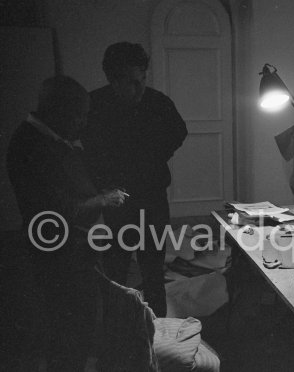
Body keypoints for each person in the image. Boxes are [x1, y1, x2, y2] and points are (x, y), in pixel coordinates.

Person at [6, 75, 126, 371]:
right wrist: (103, 200)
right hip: (57, 253)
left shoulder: (51, 138)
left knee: (78, 326)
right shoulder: (32, 145)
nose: (82, 123)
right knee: (68, 330)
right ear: (58, 111)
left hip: (70, 249)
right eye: (79, 116)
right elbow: (58, 210)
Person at [82, 42, 188, 317]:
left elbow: (179, 132)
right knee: (116, 270)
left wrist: (154, 157)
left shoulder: (157, 102)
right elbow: (82, 148)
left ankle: (159, 331)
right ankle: (117, 333)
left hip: (152, 197)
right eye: (131, 82)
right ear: (112, 80)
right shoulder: (93, 106)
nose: (140, 88)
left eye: (142, 79)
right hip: (115, 201)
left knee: (153, 270)